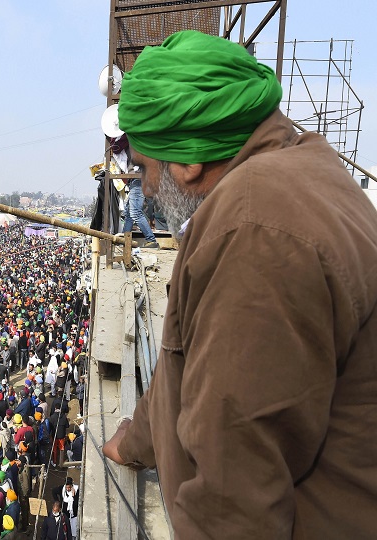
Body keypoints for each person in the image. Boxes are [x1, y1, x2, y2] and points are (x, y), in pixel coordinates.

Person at [101, 30, 377, 539]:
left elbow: (235, 500)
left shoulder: (253, 232)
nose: (143, 186)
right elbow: (190, 358)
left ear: (187, 161)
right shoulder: (302, 163)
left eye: (143, 167)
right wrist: (137, 439)